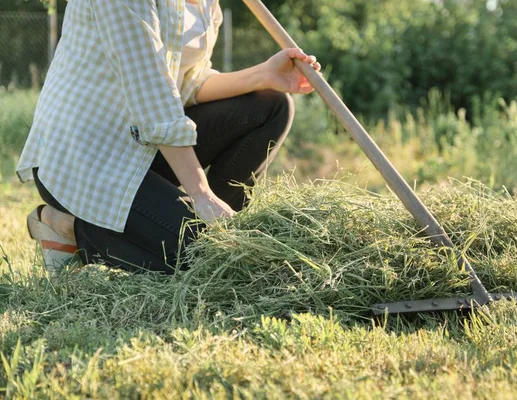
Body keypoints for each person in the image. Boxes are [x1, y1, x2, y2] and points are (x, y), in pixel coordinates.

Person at [17, 0, 320, 274]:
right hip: (86, 156)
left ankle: (225, 231)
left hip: (143, 147)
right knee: (201, 261)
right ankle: (68, 226)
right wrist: (200, 193)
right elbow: (153, 97)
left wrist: (263, 75)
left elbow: (186, 81)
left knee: (271, 106)